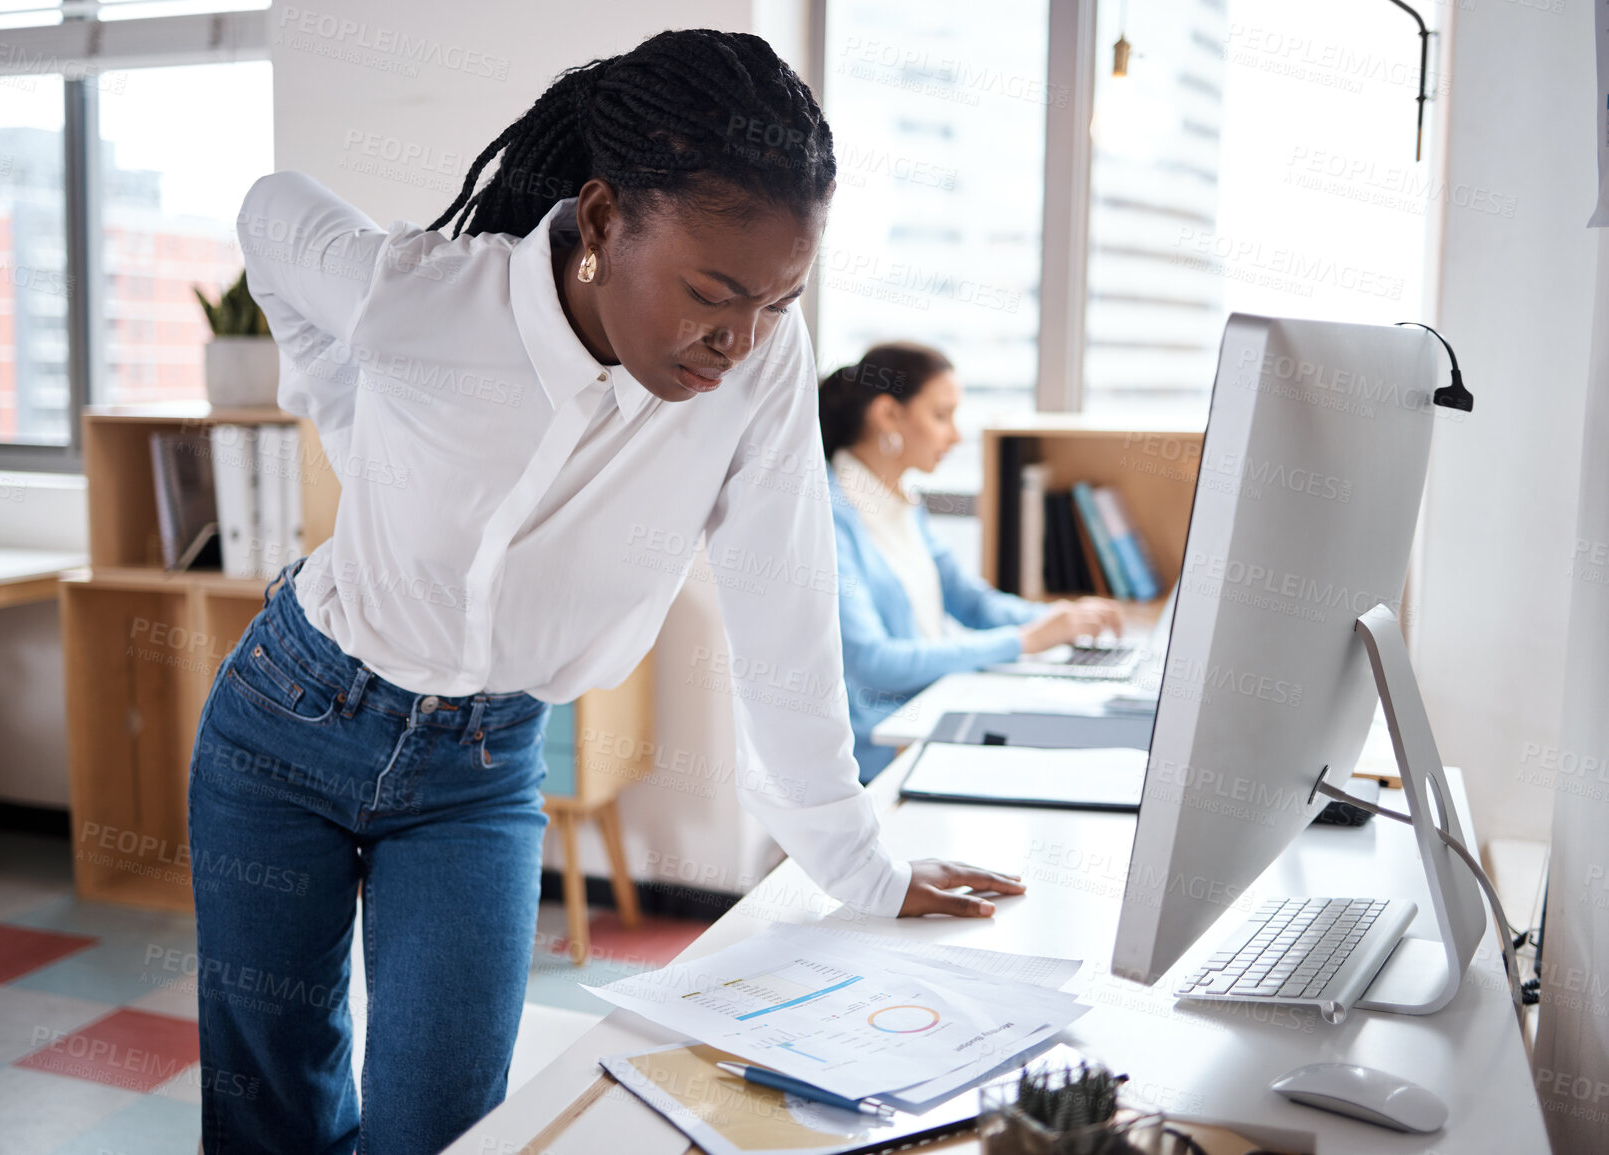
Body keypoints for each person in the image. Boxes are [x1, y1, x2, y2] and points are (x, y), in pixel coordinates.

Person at [190, 29, 1026, 1155]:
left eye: (778, 302)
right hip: (287, 721)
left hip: (476, 775)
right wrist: (350, 415)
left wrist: (863, 865)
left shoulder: (761, 369)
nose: (739, 340)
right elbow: (271, 211)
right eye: (712, 295)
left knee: (446, 1131)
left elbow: (784, 600)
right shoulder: (424, 299)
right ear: (600, 221)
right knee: (272, 1116)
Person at [818, 343, 1124, 782]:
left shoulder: (899, 500)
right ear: (888, 415)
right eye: (941, 416)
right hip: (880, 756)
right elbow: (873, 662)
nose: (956, 436)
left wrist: (1061, 620)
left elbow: (970, 602)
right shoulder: (831, 512)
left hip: (926, 718)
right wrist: (1022, 640)